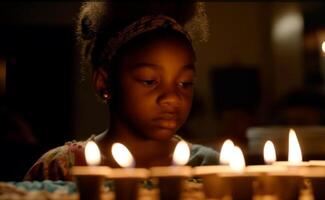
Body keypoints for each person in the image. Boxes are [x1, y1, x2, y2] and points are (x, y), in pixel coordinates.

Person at [24, 1, 219, 181]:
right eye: (149, 81)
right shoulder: (60, 168)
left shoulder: (208, 167)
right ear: (104, 84)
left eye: (184, 83)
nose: (172, 98)